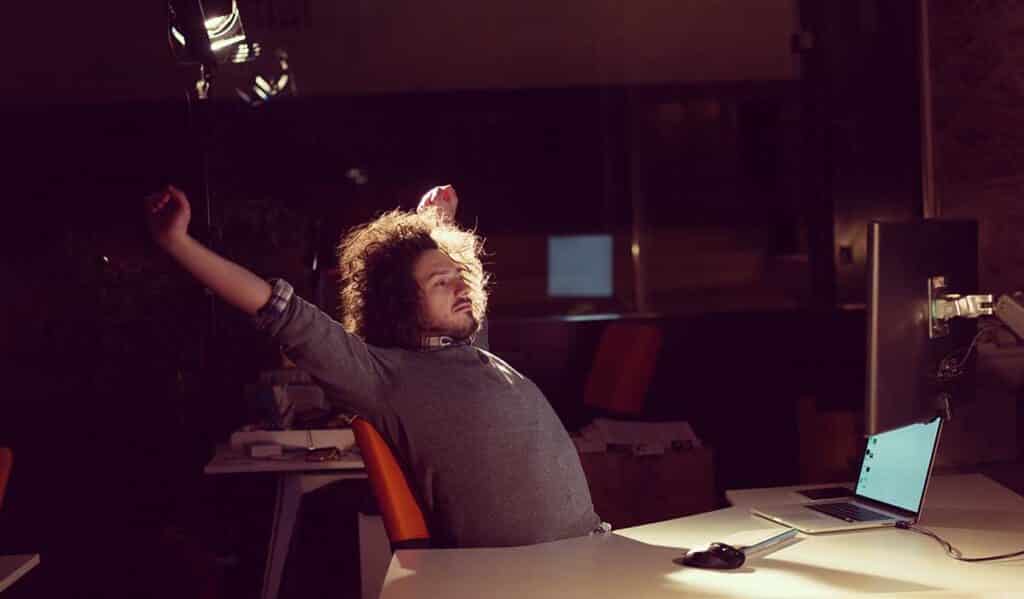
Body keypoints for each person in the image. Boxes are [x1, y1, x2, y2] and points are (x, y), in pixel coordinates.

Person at [144, 184, 604, 548]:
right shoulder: (384, 376)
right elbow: (277, 309)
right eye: (440, 282)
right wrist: (178, 243)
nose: (461, 285)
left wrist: (437, 223)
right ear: (401, 303)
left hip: (592, 551)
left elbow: (452, 301)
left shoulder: (470, 350)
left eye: (460, 276)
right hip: (527, 577)